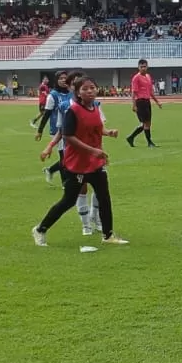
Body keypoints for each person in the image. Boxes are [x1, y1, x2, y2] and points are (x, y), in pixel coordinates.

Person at [32, 74, 127, 248]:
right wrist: (93, 151)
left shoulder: (96, 108)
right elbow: (68, 136)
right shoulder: (73, 111)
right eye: (85, 89)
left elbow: (94, 129)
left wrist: (108, 133)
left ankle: (108, 235)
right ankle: (40, 229)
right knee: (68, 201)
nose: (90, 91)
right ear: (77, 92)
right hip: (77, 165)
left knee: (104, 198)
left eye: (92, 87)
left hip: (95, 163)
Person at [126, 58, 162, 147]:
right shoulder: (136, 78)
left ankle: (131, 137)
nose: (143, 68)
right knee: (145, 123)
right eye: (141, 67)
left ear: (147, 67)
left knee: (147, 123)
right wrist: (134, 105)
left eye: (145, 66)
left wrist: (157, 102)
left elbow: (150, 92)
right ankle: (149, 142)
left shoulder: (148, 77)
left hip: (147, 101)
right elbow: (134, 93)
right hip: (140, 102)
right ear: (138, 67)